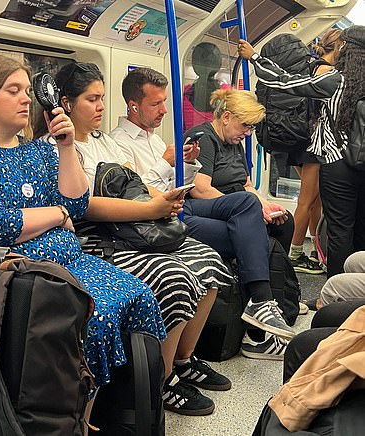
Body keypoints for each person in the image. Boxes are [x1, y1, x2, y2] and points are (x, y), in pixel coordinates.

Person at [0, 55, 167, 395]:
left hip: (67, 262)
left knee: (140, 295)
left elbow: (76, 204)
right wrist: (56, 215)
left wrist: (66, 148)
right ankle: (69, 417)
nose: (27, 99)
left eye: (27, 91)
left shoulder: (35, 152)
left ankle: (126, 409)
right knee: (92, 317)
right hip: (11, 273)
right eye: (13, 91)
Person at [39, 61, 237, 416]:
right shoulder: (55, 148)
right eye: (92, 99)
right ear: (65, 104)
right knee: (175, 279)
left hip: (132, 227)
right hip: (97, 238)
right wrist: (149, 211)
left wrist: (163, 200)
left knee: (209, 263)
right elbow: (84, 207)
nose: (101, 106)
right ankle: (158, 383)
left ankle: (182, 360)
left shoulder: (105, 143)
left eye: (101, 98)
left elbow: (132, 183)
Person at [111, 67, 295, 359]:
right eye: (155, 104)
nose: (163, 111)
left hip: (178, 207)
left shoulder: (157, 140)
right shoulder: (118, 142)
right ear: (133, 105)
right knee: (248, 224)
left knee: (257, 221)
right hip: (157, 220)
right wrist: (167, 163)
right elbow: (135, 190)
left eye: (164, 103)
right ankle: (258, 323)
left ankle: (261, 317)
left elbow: (181, 184)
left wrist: (187, 165)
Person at [238, 26, 365, 278]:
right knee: (362, 229)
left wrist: (254, 57)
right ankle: (359, 290)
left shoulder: (336, 81)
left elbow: (284, 82)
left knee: (340, 230)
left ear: (346, 50)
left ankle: (336, 294)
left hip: (336, 163)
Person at [280, 30, 344, 274]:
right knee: (306, 201)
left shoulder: (313, 67)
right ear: (337, 48)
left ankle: (318, 249)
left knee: (314, 200)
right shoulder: (326, 72)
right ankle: (294, 253)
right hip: (313, 144)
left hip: (304, 141)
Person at [183, 42, 228, 132]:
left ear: (194, 65)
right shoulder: (228, 93)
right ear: (218, 65)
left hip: (191, 144)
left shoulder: (184, 94)